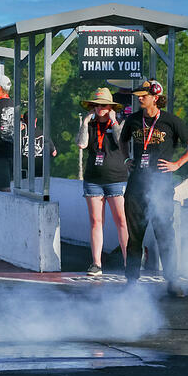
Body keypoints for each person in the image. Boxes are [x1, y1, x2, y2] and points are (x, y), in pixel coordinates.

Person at [120, 80, 188, 293]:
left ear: (155, 97)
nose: (139, 98)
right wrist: (126, 160)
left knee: (165, 234)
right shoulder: (133, 120)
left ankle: (172, 281)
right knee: (135, 236)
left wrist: (178, 164)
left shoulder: (170, 121)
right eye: (138, 95)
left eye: (144, 95)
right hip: (136, 186)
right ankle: (131, 281)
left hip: (161, 187)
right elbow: (122, 141)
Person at [76, 88, 128, 276]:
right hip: (93, 180)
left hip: (116, 178)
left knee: (121, 220)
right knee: (96, 221)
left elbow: (121, 142)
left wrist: (114, 121)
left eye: (104, 105)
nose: (100, 109)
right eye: (97, 105)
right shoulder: (90, 125)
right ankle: (96, 263)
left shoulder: (119, 123)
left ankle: (127, 261)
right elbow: (81, 144)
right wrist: (84, 122)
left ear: (111, 107)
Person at [20, 111, 57, 178]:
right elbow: (54, 153)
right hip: (39, 171)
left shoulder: (19, 135)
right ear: (36, 120)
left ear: (23, 121)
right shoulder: (44, 134)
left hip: (23, 171)